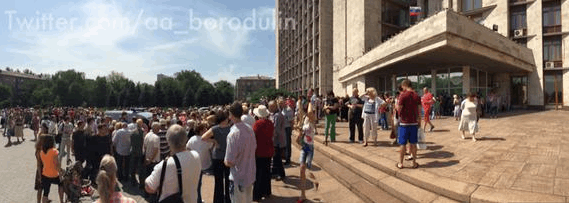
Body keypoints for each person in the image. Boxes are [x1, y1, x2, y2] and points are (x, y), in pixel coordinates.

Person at [146, 125, 201, 203]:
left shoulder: (165, 164)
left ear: (168, 141)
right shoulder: (196, 155)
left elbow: (149, 188)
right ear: (186, 139)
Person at [224, 102, 257, 203]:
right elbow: (254, 147)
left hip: (238, 178)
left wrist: (225, 161)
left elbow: (229, 161)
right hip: (250, 175)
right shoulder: (250, 129)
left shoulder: (233, 134)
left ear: (231, 115)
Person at [201, 110, 232, 203]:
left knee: (218, 181)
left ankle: (218, 200)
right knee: (228, 180)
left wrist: (214, 141)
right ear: (226, 118)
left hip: (217, 157)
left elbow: (203, 137)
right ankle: (228, 200)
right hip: (227, 156)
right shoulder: (231, 128)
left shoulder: (215, 129)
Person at [396, 79, 421, 169]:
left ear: (404, 85)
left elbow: (399, 110)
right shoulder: (417, 95)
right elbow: (419, 111)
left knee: (402, 144)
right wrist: (419, 122)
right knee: (413, 144)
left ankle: (400, 163)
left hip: (404, 123)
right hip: (414, 123)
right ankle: (414, 163)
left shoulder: (403, 95)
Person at [296, 102, 318, 203]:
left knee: (308, 170)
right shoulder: (304, 121)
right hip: (304, 147)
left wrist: (309, 102)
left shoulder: (312, 121)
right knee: (301, 170)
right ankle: (302, 194)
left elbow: (309, 112)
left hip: (310, 148)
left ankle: (315, 180)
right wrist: (300, 133)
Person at [186, 122, 213, 203]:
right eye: (205, 129)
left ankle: (197, 199)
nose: (206, 130)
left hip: (194, 164)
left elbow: (187, 148)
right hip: (202, 164)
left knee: (196, 183)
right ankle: (198, 200)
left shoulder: (192, 139)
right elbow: (211, 148)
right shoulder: (206, 141)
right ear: (201, 131)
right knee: (197, 183)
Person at [252, 105, 274, 201]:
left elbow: (254, 137)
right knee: (266, 171)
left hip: (259, 151)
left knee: (258, 173)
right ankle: (267, 191)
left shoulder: (257, 124)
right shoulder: (270, 123)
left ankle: (257, 194)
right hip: (268, 150)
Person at [39, 134, 63, 203]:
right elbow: (57, 165)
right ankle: (61, 201)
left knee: (46, 192)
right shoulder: (54, 151)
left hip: (45, 174)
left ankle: (45, 200)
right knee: (61, 184)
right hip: (54, 174)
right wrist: (60, 173)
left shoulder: (42, 151)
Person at [142, 122, 161, 198]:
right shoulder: (156, 138)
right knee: (153, 179)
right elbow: (155, 150)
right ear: (155, 128)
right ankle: (152, 196)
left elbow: (145, 147)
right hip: (153, 161)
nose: (159, 129)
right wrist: (151, 160)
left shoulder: (147, 135)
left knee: (147, 177)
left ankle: (146, 193)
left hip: (147, 159)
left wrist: (146, 159)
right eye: (158, 128)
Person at [269, 100, 286, 181]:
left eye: (270, 107)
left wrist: (271, 138)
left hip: (278, 140)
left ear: (274, 106)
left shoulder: (277, 116)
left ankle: (281, 174)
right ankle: (275, 172)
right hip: (278, 140)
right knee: (276, 158)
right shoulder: (277, 114)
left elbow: (276, 129)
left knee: (278, 158)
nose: (269, 108)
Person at [130, 120, 145, 187]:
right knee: (140, 168)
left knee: (133, 167)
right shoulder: (143, 132)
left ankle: (133, 181)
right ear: (141, 124)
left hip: (133, 151)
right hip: (140, 152)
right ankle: (141, 183)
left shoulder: (132, 132)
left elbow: (130, 142)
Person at [282, 99, 295, 165]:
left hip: (287, 128)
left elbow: (291, 121)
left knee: (287, 144)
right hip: (283, 128)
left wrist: (291, 129)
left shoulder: (289, 110)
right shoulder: (282, 109)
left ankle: (288, 159)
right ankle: (284, 157)